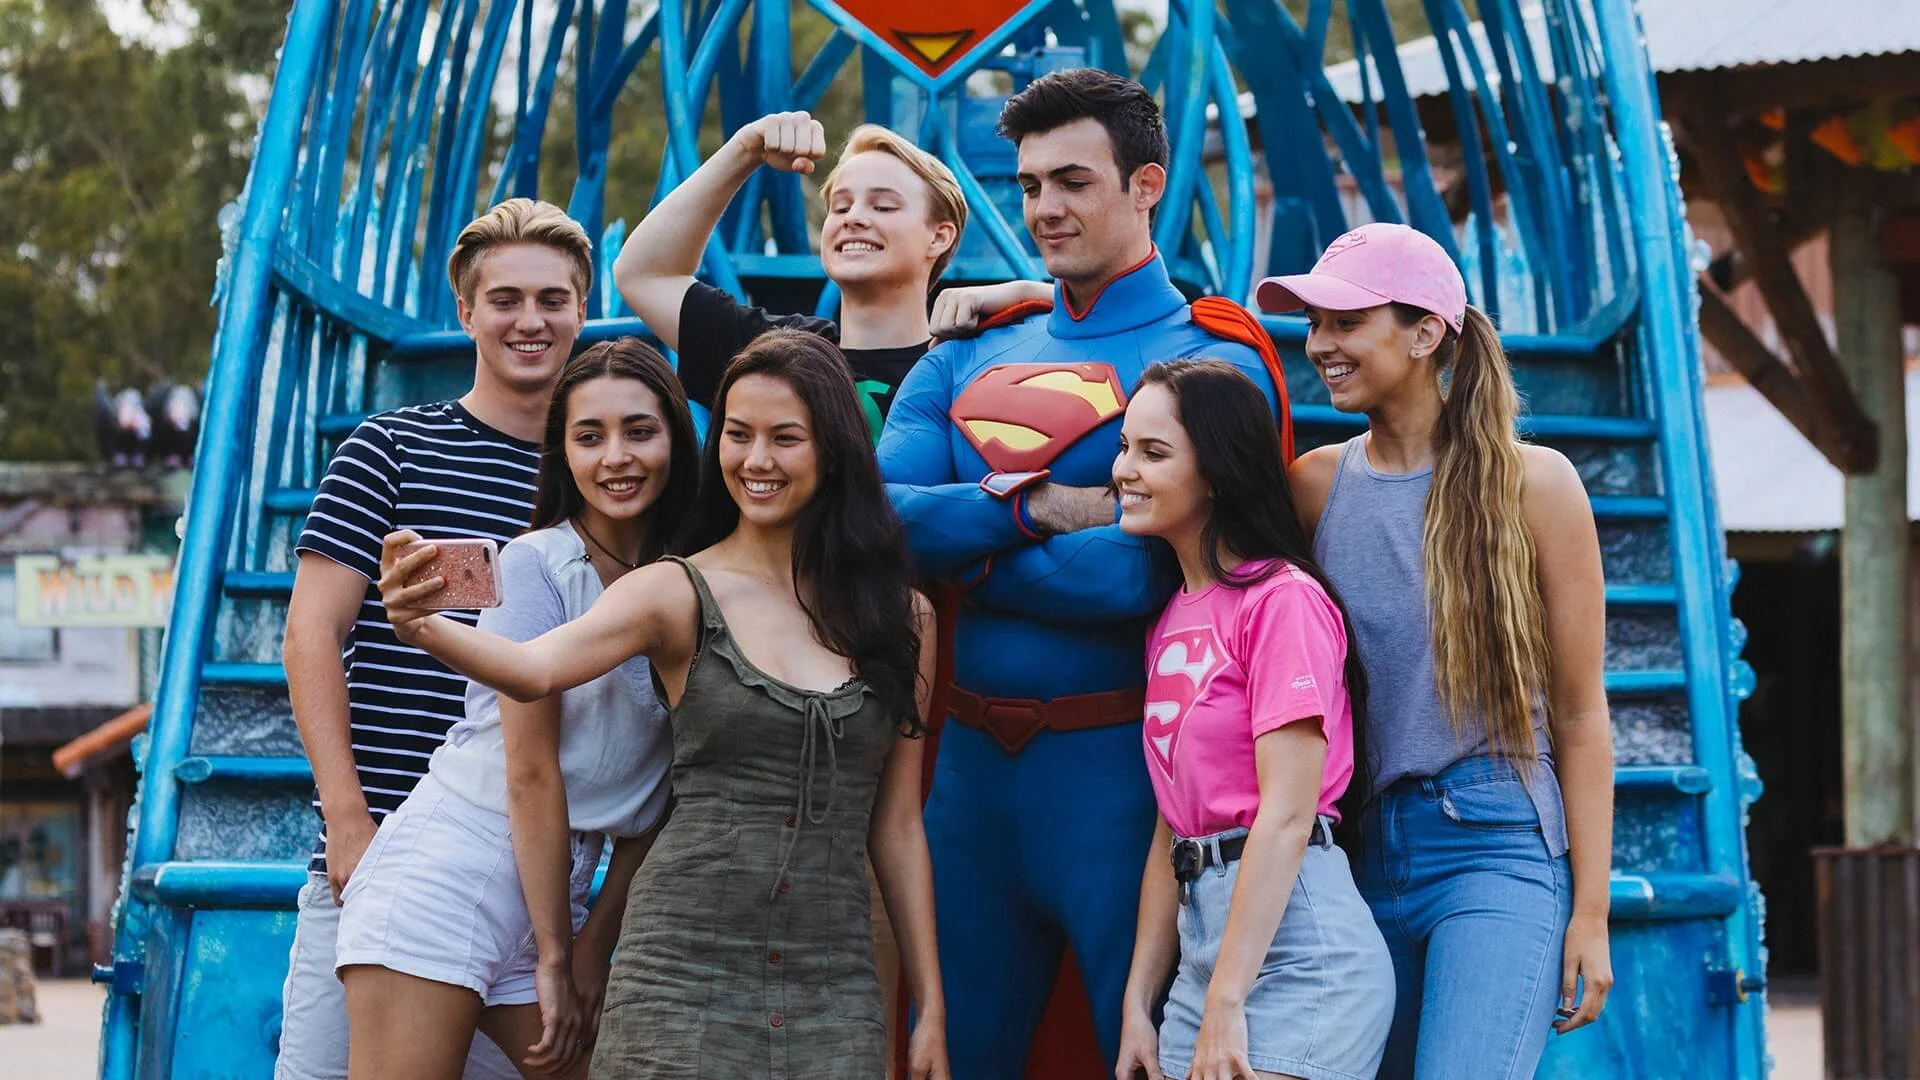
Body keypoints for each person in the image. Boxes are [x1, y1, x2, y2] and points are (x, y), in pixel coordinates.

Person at [378, 329, 951, 1079]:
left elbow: (899, 826)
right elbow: (530, 670)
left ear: (834, 451)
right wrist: (422, 625)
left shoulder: (904, 620)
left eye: (786, 438)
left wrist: (930, 1006)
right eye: (738, 436)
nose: (756, 461)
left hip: (833, 983)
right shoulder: (673, 589)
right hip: (679, 974)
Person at [877, 68, 1291, 1078]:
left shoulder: (1213, 361)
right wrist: (1034, 509)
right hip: (966, 780)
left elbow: (1136, 581)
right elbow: (873, 527)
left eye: (1073, 180)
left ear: (1146, 184)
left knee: (1143, 1058)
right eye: (1028, 185)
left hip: (1120, 782)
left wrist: (963, 554)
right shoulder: (968, 346)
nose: (1046, 209)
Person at [1263, 222, 1615, 1079]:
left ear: (1425, 334)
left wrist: (1592, 914)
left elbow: (1579, 711)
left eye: (1345, 322)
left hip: (1496, 846)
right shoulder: (1313, 486)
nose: (1320, 345)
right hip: (1354, 854)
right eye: (1314, 324)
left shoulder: (1537, 485)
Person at [278, 198, 593, 1080]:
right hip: (381, 854)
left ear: (581, 307)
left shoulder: (607, 478)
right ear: (465, 311)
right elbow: (311, 633)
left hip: (532, 885)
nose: (530, 321)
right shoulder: (390, 449)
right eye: (505, 299)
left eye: (553, 299)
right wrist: (347, 824)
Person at [334, 339, 700, 1079]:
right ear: (562, 454)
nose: (616, 458)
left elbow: (668, 788)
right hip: (451, 868)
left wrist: (592, 944)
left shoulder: (693, 580)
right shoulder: (537, 562)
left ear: (676, 439)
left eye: (639, 430)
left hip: (555, 887)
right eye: (589, 437)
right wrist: (559, 954)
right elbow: (530, 772)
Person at [1108, 360, 1392, 1080]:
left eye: (1153, 452)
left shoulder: (1281, 600)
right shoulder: (1172, 618)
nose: (1123, 472)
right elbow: (1175, 826)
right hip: (1203, 955)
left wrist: (1227, 1001)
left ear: (1217, 474)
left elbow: (1288, 815)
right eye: (1125, 446)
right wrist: (1139, 1003)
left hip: (1298, 948)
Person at [612, 110, 1050, 441]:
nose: (853, 218)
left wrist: (1035, 293)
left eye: (883, 205)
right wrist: (745, 150)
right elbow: (645, 274)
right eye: (841, 206)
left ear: (939, 237)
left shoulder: (977, 365)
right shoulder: (774, 352)